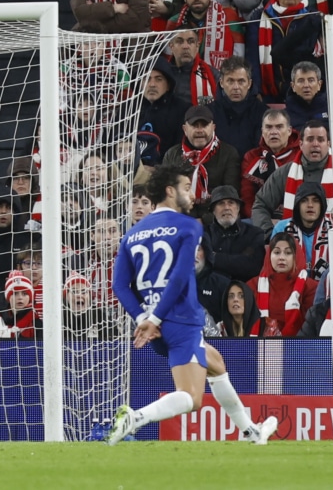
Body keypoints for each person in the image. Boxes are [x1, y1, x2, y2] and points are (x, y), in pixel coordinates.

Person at [105, 162, 278, 446]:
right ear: (170, 191)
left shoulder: (132, 234)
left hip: (155, 323)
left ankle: (250, 432)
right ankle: (134, 419)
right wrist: (157, 318)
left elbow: (120, 286)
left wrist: (143, 318)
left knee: (216, 364)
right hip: (179, 318)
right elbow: (180, 277)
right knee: (191, 398)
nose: (192, 194)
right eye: (187, 188)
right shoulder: (187, 226)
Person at [251, 118, 333, 232]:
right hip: (291, 245)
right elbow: (260, 205)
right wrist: (269, 234)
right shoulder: (285, 172)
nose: (315, 144)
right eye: (310, 139)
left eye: (321, 140)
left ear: (328, 144)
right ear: (301, 144)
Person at [159, 105, 241, 217]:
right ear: (185, 129)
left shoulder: (229, 153)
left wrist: (205, 220)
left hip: (216, 221)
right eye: (194, 125)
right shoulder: (172, 154)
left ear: (213, 127)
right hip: (180, 218)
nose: (199, 130)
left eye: (204, 125)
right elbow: (166, 194)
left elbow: (230, 196)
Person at [208, 56, 267, 158]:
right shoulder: (209, 113)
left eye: (241, 81)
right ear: (221, 83)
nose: (236, 87)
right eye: (230, 81)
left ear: (249, 83)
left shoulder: (263, 113)